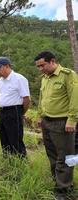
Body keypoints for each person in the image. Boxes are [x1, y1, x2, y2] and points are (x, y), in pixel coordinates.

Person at [34, 51, 78, 198]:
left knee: (65, 157)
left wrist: (72, 119)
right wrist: (40, 116)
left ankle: (64, 189)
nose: (40, 69)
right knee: (52, 154)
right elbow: (42, 98)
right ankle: (58, 181)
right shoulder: (44, 78)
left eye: (42, 65)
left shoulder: (67, 75)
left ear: (52, 61)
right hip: (47, 122)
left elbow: (75, 98)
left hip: (62, 122)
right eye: (38, 67)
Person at [0, 57, 31, 158]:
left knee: (15, 139)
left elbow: (27, 99)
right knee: (4, 138)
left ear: (7, 66)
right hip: (2, 112)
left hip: (14, 111)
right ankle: (8, 161)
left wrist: (21, 112)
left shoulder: (19, 79)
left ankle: (21, 163)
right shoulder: (0, 81)